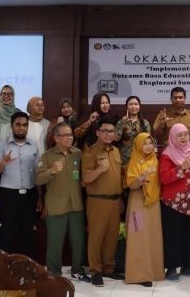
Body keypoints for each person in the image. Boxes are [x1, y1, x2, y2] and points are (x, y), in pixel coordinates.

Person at [35, 122, 89, 282]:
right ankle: (53, 273)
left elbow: (82, 175)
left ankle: (78, 270)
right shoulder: (47, 156)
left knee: (78, 241)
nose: (70, 138)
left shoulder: (78, 154)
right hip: (56, 205)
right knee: (55, 243)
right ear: (57, 137)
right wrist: (50, 171)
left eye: (71, 135)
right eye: (66, 135)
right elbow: (38, 180)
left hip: (76, 204)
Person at [0, 112, 40, 258]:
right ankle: (5, 272)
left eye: (25, 125)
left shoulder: (34, 145)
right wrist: (3, 163)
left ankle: (26, 271)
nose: (21, 128)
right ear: (12, 126)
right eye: (18, 125)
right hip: (8, 196)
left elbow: (38, 173)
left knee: (28, 234)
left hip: (30, 196)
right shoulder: (2, 144)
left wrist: (40, 197)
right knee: (7, 234)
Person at [159, 124, 190, 282]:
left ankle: (186, 267)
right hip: (173, 204)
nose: (184, 138)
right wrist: (181, 168)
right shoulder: (167, 155)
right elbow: (163, 178)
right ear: (172, 137)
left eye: (186, 134)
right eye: (180, 135)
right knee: (173, 236)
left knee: (188, 236)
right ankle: (171, 268)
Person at [82, 120, 123, 286]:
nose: (108, 134)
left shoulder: (116, 151)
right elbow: (85, 179)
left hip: (115, 200)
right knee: (96, 237)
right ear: (97, 133)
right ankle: (95, 271)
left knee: (112, 237)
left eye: (111, 131)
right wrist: (99, 169)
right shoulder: (90, 152)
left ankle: (108, 268)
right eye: (104, 131)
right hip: (97, 200)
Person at [124, 133, 164, 287]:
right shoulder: (134, 161)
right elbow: (130, 183)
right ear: (138, 145)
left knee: (152, 238)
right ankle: (138, 275)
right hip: (138, 203)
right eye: (145, 143)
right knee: (138, 238)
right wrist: (138, 180)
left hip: (153, 204)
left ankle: (154, 271)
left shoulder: (155, 160)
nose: (148, 146)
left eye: (150, 143)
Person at [116, 96, 152, 170]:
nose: (133, 106)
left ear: (139, 106)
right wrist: (122, 124)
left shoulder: (145, 123)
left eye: (136, 104)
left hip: (141, 159)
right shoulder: (121, 122)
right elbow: (116, 138)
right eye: (131, 104)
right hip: (125, 159)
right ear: (127, 107)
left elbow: (148, 142)